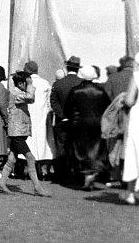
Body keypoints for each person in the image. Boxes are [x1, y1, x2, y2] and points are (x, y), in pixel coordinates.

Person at [0, 71, 51, 197]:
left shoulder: (16, 92)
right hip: (17, 131)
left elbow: (30, 99)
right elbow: (31, 98)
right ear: (21, 84)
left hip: (18, 131)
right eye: (26, 83)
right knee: (30, 158)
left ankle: (1, 184)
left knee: (12, 159)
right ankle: (37, 187)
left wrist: (29, 84)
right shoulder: (16, 93)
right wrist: (30, 84)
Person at [64, 65, 110, 190]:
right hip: (97, 124)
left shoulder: (75, 91)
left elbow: (67, 109)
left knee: (81, 150)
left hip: (79, 124)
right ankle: (92, 172)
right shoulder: (101, 91)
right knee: (96, 149)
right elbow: (107, 108)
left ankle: (87, 175)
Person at [121, 47, 139, 205]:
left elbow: (130, 100)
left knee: (134, 152)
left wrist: (124, 100)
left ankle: (130, 193)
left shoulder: (137, 76)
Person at [50, 55, 82, 184]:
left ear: (67, 67)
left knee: (62, 148)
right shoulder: (81, 83)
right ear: (78, 69)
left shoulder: (58, 84)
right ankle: (77, 175)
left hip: (62, 121)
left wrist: (62, 116)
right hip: (77, 121)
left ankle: (62, 175)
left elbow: (53, 102)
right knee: (76, 148)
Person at [24, 61, 55, 179]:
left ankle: (27, 169)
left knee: (28, 141)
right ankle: (43, 169)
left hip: (29, 115)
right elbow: (49, 102)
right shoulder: (45, 83)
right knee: (42, 141)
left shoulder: (26, 83)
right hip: (42, 117)